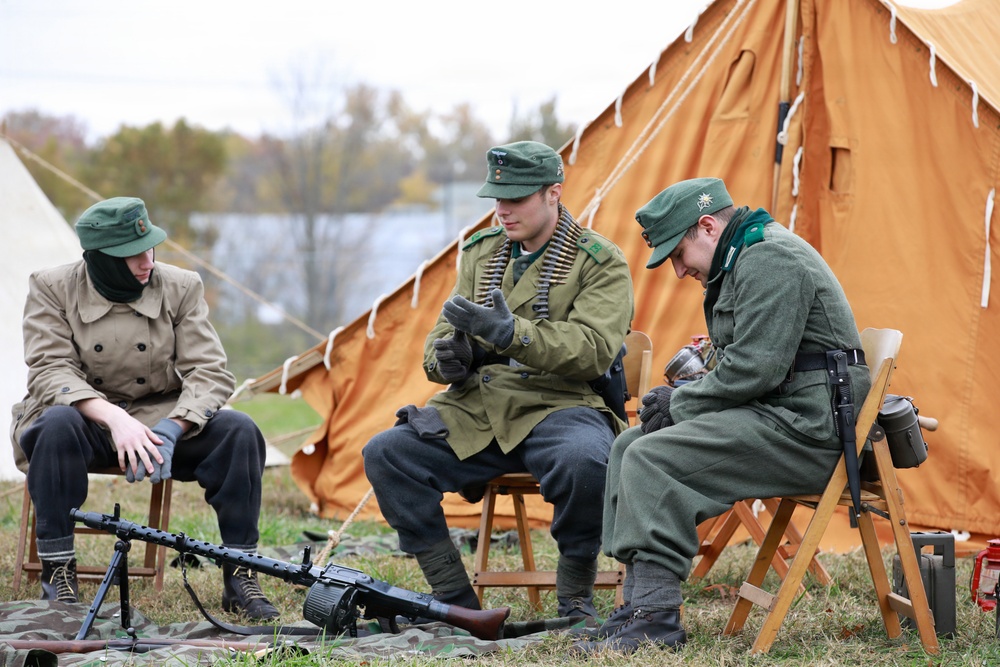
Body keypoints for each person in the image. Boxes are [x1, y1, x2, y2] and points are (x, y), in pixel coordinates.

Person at [576, 178, 871, 652]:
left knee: (652, 457)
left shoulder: (769, 258)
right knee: (628, 444)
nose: (676, 270)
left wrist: (681, 403)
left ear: (708, 225)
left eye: (678, 254)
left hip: (809, 431)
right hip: (780, 416)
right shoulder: (742, 258)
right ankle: (636, 604)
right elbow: (750, 364)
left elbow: (756, 368)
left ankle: (656, 621)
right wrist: (685, 397)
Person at [363, 141, 634, 618]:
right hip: (478, 407)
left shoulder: (598, 261)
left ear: (554, 193)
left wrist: (513, 334)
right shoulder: (482, 253)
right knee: (388, 454)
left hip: (560, 404)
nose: (503, 211)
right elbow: (444, 331)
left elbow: (593, 350)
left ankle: (574, 598)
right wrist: (448, 359)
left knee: (587, 463)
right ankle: (454, 600)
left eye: (517, 199)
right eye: (497, 198)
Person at [11, 196, 279, 620]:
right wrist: (115, 419)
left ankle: (241, 574)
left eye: (149, 247)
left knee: (239, 430)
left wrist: (174, 428)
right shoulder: (51, 286)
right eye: (132, 255)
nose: (147, 261)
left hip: (159, 418)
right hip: (84, 417)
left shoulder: (180, 286)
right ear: (100, 259)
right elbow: (49, 370)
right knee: (54, 425)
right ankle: (59, 574)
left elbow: (209, 371)